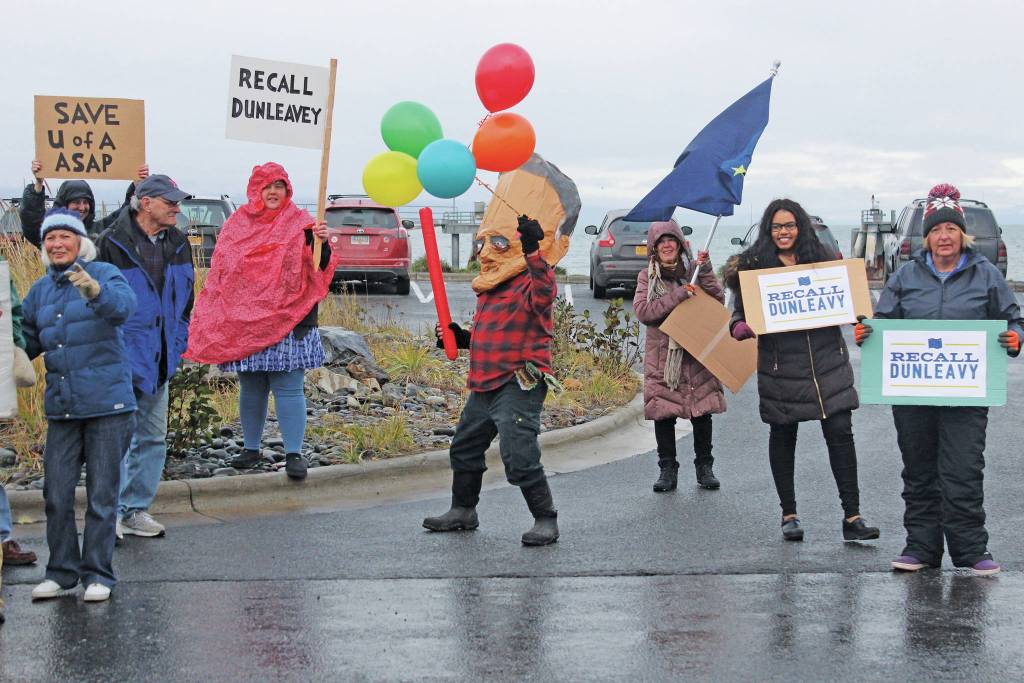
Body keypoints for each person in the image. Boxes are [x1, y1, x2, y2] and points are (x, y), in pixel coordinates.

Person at [856, 184, 1022, 576]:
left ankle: (971, 549)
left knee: (963, 470)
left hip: (967, 395)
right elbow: (883, 324)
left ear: (963, 234)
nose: (943, 236)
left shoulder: (986, 275)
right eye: (935, 230)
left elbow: (1014, 319)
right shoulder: (905, 276)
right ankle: (921, 547)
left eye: (950, 229)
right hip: (913, 395)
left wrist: (1016, 338)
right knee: (919, 471)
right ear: (925, 237)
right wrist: (867, 332)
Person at [724, 198, 879, 543]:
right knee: (783, 436)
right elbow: (739, 313)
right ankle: (789, 514)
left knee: (841, 432)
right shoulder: (754, 266)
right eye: (777, 226)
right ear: (768, 230)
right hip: (781, 367)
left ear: (801, 227)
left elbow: (855, 305)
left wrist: (862, 322)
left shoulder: (824, 259)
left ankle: (852, 516)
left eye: (790, 225)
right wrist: (739, 327)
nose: (784, 232)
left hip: (828, 363)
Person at [184, 163, 337, 480]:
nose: (272, 192)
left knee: (288, 387)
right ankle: (251, 449)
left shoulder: (303, 224)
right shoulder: (237, 224)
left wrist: (321, 243)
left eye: (278, 186)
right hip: (246, 322)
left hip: (290, 319)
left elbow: (318, 268)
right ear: (255, 190)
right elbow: (225, 270)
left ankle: (294, 453)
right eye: (266, 186)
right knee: (251, 387)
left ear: (287, 190)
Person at [423, 215, 562, 546]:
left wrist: (533, 250)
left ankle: (545, 518)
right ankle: (463, 510)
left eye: (497, 243)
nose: (486, 251)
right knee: (465, 446)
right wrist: (462, 338)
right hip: (484, 382)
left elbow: (545, 291)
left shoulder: (529, 282)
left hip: (519, 381)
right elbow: (494, 334)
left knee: (518, 451)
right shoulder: (490, 286)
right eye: (481, 244)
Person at [21, 208, 137, 603]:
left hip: (108, 405)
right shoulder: (39, 290)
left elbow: (123, 308)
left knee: (102, 497)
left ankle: (98, 574)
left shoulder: (104, 273)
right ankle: (61, 572)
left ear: (79, 242)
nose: (57, 244)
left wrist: (95, 292)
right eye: (50, 239)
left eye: (64, 237)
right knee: (56, 494)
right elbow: (28, 340)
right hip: (63, 407)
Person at [93, 174, 194, 539]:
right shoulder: (109, 242)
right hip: (120, 358)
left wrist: (178, 342)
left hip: (161, 358)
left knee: (152, 438)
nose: (176, 208)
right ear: (145, 203)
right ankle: (109, 516)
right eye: (170, 202)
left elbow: (186, 301)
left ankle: (135, 510)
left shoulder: (179, 242)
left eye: (177, 202)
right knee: (115, 442)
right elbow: (96, 304)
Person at [632, 220, 726, 492]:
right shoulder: (647, 277)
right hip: (663, 356)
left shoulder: (694, 271)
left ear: (680, 244)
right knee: (664, 413)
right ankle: (667, 469)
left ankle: (705, 467)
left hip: (695, 352)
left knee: (701, 411)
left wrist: (705, 270)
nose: (666, 245)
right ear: (654, 248)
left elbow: (717, 298)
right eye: (661, 242)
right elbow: (644, 312)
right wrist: (678, 296)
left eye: (671, 240)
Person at [19, 159, 149, 247]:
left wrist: (138, 187)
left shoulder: (100, 231)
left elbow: (125, 217)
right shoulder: (51, 234)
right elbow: (31, 219)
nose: (82, 207)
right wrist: (38, 184)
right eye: (76, 202)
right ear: (64, 205)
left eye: (85, 202)